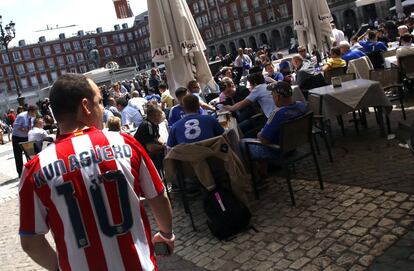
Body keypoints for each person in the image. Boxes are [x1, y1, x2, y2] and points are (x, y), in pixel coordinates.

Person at [19, 74, 174, 271]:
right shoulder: (125, 143)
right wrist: (166, 234)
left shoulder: (34, 169)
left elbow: (31, 242)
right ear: (85, 106)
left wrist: (59, 267)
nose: (101, 108)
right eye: (99, 102)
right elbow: (158, 197)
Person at [243, 81, 308, 165]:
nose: (272, 98)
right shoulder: (301, 105)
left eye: (272, 95)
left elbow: (264, 140)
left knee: (242, 144)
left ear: (278, 97)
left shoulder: (278, 114)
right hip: (294, 146)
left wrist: (260, 133)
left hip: (279, 151)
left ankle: (261, 173)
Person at [134, 103, 166, 168]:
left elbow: (157, 137)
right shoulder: (147, 125)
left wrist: (165, 143)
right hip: (142, 155)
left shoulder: (155, 124)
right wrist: (165, 147)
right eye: (161, 114)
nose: (162, 115)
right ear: (155, 116)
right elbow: (150, 148)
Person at [12, 104, 38, 177]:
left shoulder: (33, 117)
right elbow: (16, 126)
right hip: (17, 138)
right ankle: (20, 173)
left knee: (30, 154)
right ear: (30, 111)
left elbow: (32, 125)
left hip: (27, 137)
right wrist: (26, 130)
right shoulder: (21, 116)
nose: (35, 114)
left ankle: (31, 170)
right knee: (18, 156)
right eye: (34, 112)